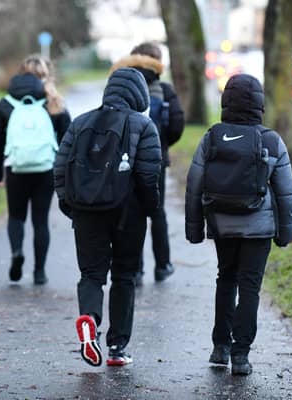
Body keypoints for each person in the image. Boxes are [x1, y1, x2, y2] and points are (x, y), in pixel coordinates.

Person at [185, 74, 292, 375]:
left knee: (226, 278)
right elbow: (285, 192)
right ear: (260, 104)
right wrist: (285, 233)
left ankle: (220, 347)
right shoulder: (271, 140)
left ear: (225, 102)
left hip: (223, 223)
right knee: (250, 287)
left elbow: (194, 183)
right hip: (258, 228)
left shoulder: (212, 136)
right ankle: (241, 355)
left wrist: (194, 229)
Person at [54, 68, 161, 367]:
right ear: (139, 94)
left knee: (91, 274)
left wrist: (69, 206)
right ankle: (117, 348)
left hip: (86, 211)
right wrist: (150, 210)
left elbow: (60, 169)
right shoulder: (143, 125)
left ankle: (89, 317)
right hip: (128, 213)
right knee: (124, 276)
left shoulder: (80, 123)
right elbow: (149, 175)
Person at [0, 54, 71, 285]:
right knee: (40, 221)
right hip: (46, 170)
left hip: (16, 169)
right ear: (46, 76)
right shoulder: (54, 101)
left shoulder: (6, 103)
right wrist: (64, 172)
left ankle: (16, 252)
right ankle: (39, 272)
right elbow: (68, 140)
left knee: (16, 216)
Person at [110, 42, 185, 285]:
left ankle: (136, 269)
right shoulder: (164, 89)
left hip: (125, 160)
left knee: (131, 212)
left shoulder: (121, 86)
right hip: (156, 160)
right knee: (157, 210)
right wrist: (161, 144)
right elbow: (176, 125)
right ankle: (163, 265)